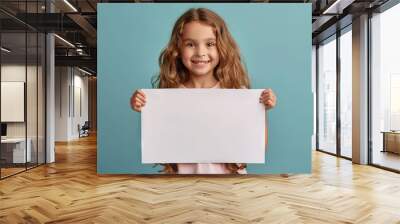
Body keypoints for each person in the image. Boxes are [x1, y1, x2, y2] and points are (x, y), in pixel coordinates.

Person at [130, 8, 276, 174]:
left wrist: (261, 110)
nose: (200, 52)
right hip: (179, 186)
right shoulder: (167, 96)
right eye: (190, 44)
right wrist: (142, 103)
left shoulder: (237, 94)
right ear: (177, 49)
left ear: (222, 47)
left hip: (231, 187)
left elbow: (256, 147)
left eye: (210, 44)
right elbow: (159, 141)